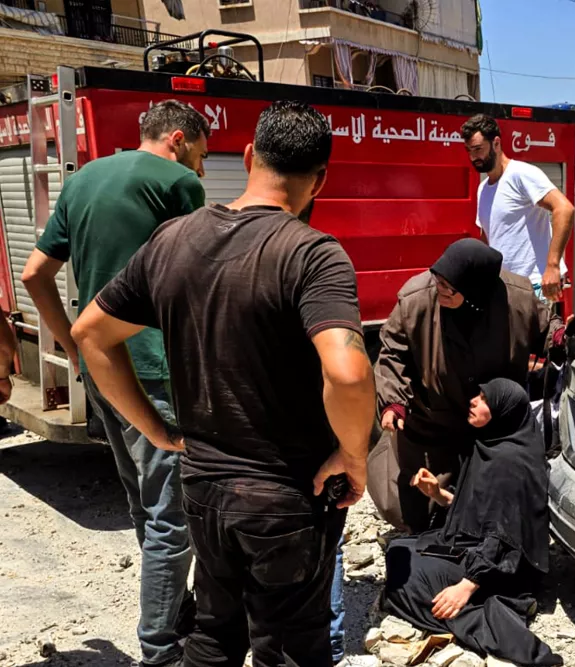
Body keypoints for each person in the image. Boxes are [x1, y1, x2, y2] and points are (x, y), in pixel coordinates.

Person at [70, 100, 375, 667]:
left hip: (204, 489)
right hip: (287, 494)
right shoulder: (313, 254)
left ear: (250, 154)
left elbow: (89, 334)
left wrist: (157, 430)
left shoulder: (173, 240)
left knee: (213, 636)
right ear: (321, 179)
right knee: (289, 650)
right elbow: (348, 372)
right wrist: (353, 456)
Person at [22, 99, 209, 667]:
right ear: (179, 140)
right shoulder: (179, 182)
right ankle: (161, 650)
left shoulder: (83, 181)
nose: (201, 170)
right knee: (170, 518)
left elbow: (34, 275)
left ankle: (173, 611)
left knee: (141, 503)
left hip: (101, 370)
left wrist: (77, 346)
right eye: (201, 156)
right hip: (156, 370)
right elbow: (197, 281)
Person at [368, 239, 563, 534]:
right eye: (438, 281)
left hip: (492, 421)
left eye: (450, 287)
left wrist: (563, 337)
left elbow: (548, 328)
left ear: (474, 290)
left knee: (500, 505)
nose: (440, 290)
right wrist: (393, 401)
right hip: (434, 421)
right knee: (412, 507)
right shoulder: (416, 299)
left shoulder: (516, 298)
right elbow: (392, 353)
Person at [383, 378, 561, 666]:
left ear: (504, 410)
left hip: (506, 567)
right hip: (482, 547)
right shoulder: (490, 446)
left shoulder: (512, 463)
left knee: (411, 575)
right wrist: (438, 494)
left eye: (484, 399)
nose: (473, 401)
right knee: (400, 549)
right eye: (477, 395)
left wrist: (466, 586)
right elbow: (480, 510)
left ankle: (481, 617)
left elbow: (505, 537)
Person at [462, 114, 575, 300]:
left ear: (496, 143)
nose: (473, 157)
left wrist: (553, 266)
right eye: (469, 151)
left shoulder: (521, 174)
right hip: (505, 288)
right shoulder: (483, 189)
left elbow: (564, 209)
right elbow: (488, 237)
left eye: (478, 149)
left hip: (534, 287)